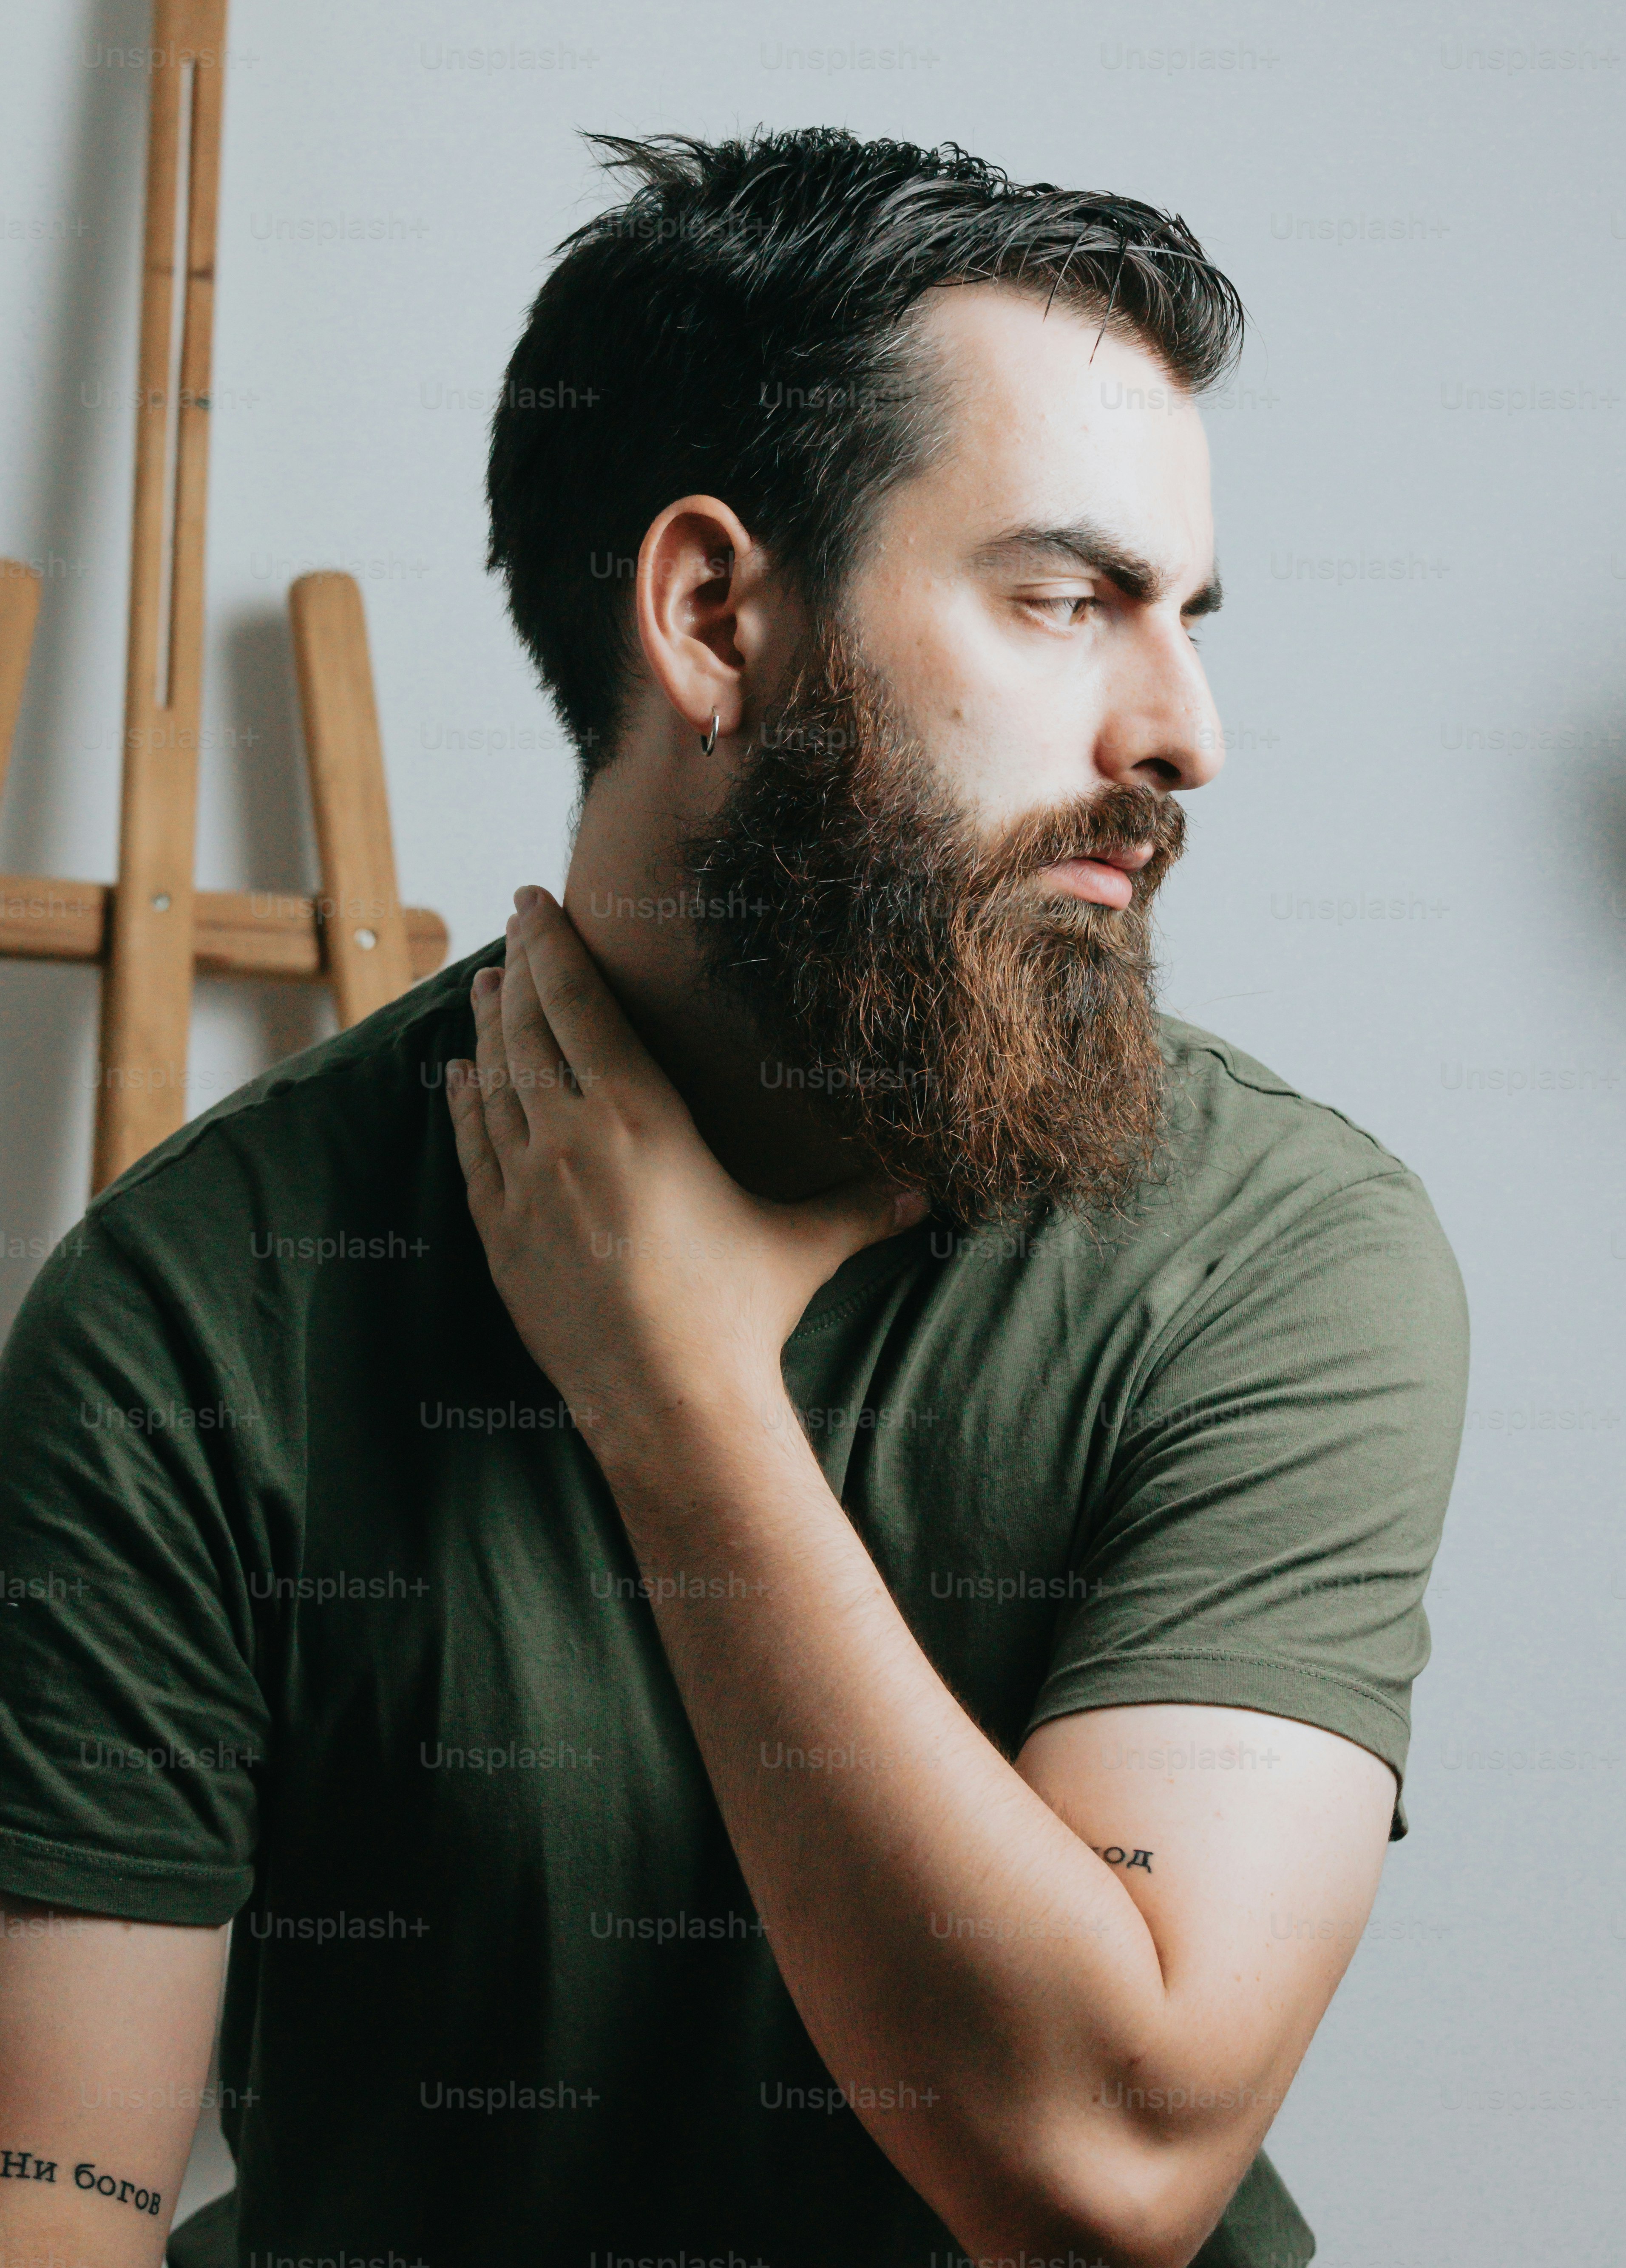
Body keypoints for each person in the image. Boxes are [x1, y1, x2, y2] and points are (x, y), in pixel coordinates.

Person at [0, 130, 1468, 2268]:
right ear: (711, 616)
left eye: (1187, 617)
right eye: (1068, 599)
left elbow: (1102, 2169)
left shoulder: (1283, 1254)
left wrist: (673, 1375)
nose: (1188, 731)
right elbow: (58, 2204)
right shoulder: (195, 1304)